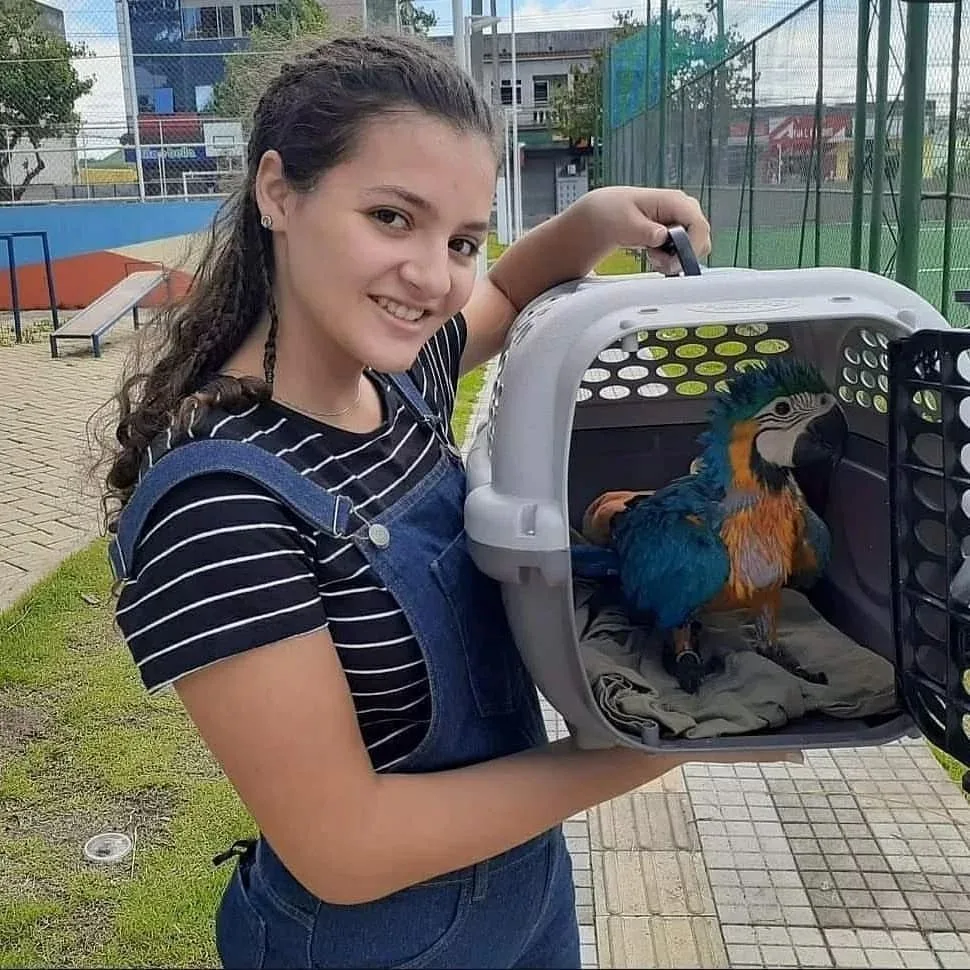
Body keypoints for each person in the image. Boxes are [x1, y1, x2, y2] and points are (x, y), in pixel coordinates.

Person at [101, 32, 797, 970]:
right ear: (279, 191)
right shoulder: (217, 505)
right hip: (371, 942)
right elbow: (343, 848)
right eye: (392, 217)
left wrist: (592, 223)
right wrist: (650, 748)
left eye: (461, 237)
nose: (434, 276)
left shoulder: (395, 381)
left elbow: (509, 287)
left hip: (524, 890)